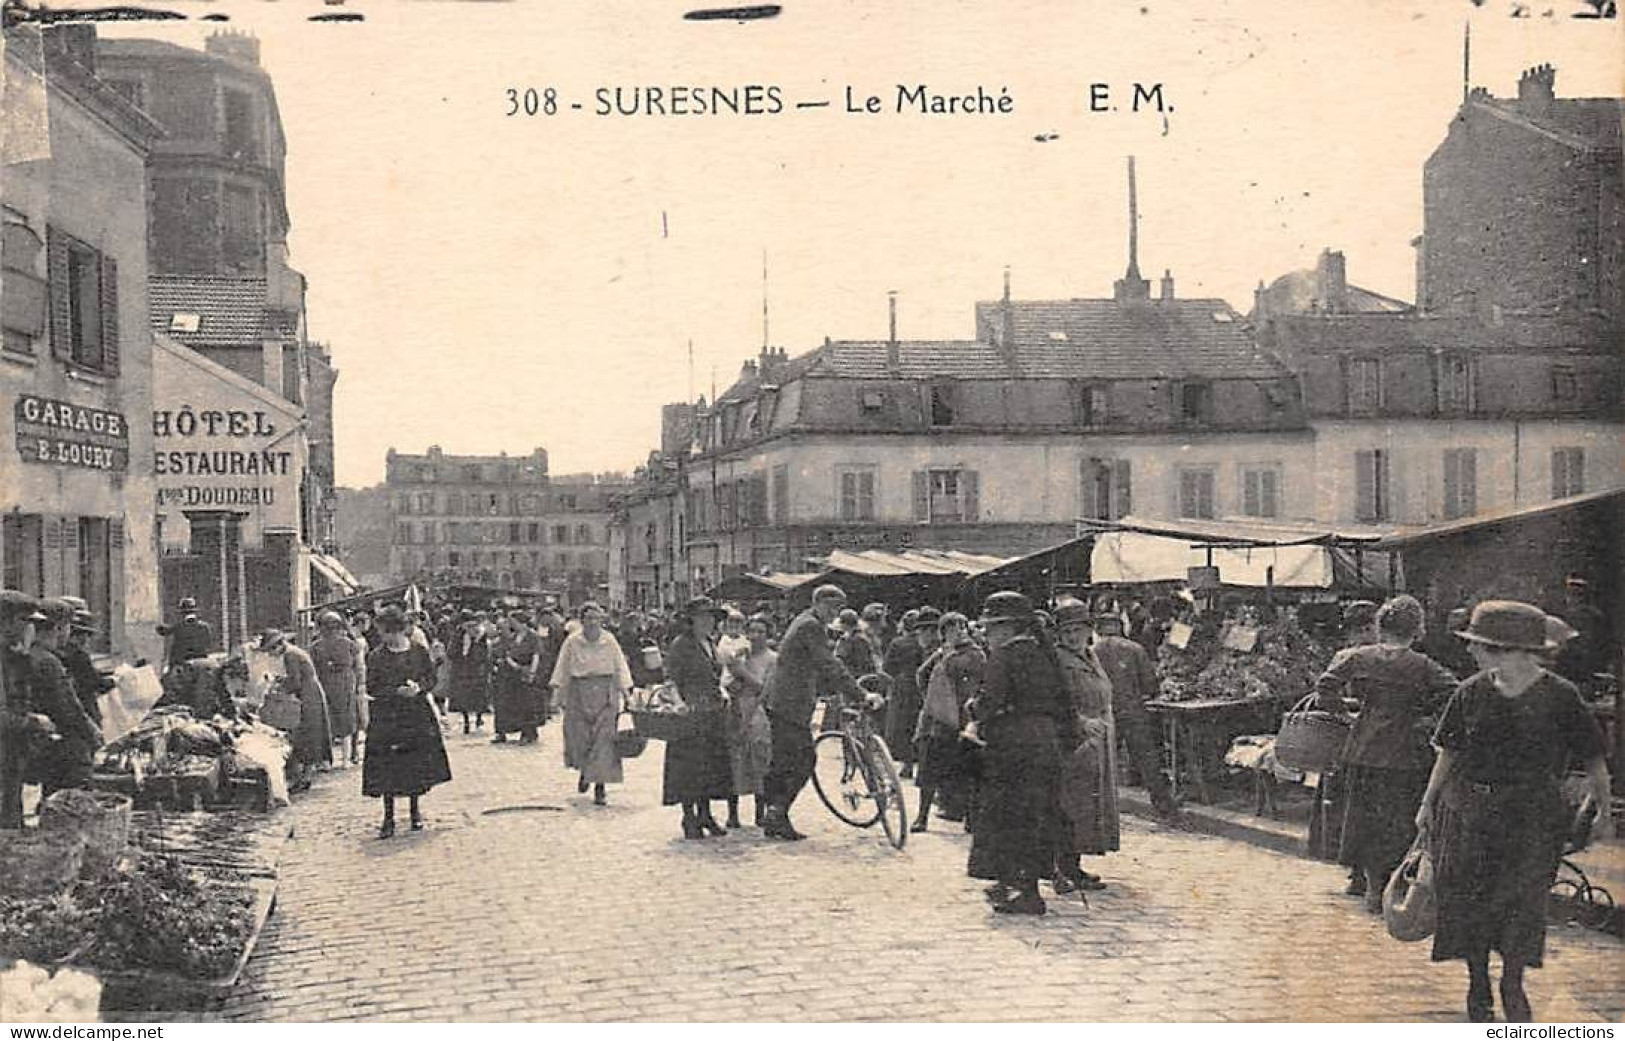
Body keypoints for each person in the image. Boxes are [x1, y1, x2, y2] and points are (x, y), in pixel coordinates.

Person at [1417, 600, 1612, 1023]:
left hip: (1535, 819)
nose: (1471, 652)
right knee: (1471, 901)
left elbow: (1595, 759)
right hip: (1472, 813)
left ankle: (1512, 979)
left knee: (1522, 904)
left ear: (1509, 649)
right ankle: (1478, 981)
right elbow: (1448, 753)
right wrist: (1427, 802)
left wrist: (1602, 814)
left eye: (1479, 645)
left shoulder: (1562, 696)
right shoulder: (1469, 692)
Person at [1313, 594, 1458, 912]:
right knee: (1398, 820)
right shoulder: (1422, 665)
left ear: (1380, 627)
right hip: (1404, 751)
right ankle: (1392, 884)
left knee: (1363, 817)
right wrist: (1428, 720)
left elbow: (1325, 687)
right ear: (1417, 630)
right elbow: (1454, 692)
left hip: (1362, 747)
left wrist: (1346, 716)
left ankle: (1370, 885)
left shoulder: (1359, 657)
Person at [964, 592, 1073, 916]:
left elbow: (989, 703)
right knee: (1036, 815)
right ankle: (1018, 883)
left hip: (1013, 745)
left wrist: (974, 708)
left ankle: (1024, 892)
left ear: (1007, 627)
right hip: (1045, 743)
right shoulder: (1044, 654)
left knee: (1008, 817)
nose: (988, 633)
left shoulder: (1004, 656)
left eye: (992, 627)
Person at [762, 584, 867, 841]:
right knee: (804, 760)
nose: (835, 614)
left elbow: (809, 664)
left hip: (783, 701)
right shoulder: (810, 626)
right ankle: (776, 812)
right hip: (790, 704)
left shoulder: (805, 621)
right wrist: (861, 694)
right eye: (832, 608)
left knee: (783, 760)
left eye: (839, 609)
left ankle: (773, 814)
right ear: (818, 603)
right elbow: (828, 663)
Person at [362, 605, 452, 838]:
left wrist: (419, 687)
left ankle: (415, 812)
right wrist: (394, 691)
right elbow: (372, 687)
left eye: (384, 631)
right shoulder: (376, 656)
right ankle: (388, 817)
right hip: (388, 717)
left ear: (396, 630)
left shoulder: (418, 651)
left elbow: (431, 677)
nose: (382, 635)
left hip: (415, 715)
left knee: (414, 764)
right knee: (388, 767)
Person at [1052, 601, 1117, 893]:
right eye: (1067, 631)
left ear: (1089, 631)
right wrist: (1081, 722)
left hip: (1097, 740)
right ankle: (1064, 867)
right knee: (1072, 802)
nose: (1073, 636)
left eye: (1078, 630)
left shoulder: (1091, 656)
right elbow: (1055, 701)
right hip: (1073, 740)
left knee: (1088, 803)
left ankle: (1073, 865)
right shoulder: (1058, 660)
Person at [662, 597, 735, 839]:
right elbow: (671, 679)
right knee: (689, 767)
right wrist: (679, 703)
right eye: (703, 617)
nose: (708, 622)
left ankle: (705, 813)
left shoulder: (710, 644)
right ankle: (689, 817)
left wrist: (722, 690)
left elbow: (716, 675)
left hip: (712, 711)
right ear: (691, 620)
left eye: (711, 618)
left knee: (710, 766)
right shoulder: (681, 645)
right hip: (691, 713)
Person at [1092, 612, 1177, 819]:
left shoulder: (1091, 651)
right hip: (1132, 710)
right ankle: (1163, 805)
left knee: (1102, 760)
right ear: (1120, 626)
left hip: (1103, 712)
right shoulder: (1135, 649)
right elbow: (1149, 683)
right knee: (1147, 758)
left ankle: (1098, 807)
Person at [552, 601, 633, 806]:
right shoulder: (572, 642)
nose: (593, 623)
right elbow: (562, 667)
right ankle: (585, 771)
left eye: (597, 618)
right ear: (582, 621)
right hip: (579, 693)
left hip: (605, 693)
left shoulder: (609, 641)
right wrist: (557, 695)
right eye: (588, 618)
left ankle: (600, 787)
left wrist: (627, 694)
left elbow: (620, 667)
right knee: (580, 738)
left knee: (604, 742)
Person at [913, 608, 982, 833]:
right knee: (930, 769)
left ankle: (970, 820)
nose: (959, 632)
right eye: (952, 628)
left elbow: (975, 677)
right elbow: (922, 674)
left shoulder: (975, 654)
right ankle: (921, 817)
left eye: (962, 627)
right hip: (940, 721)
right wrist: (932, 700)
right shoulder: (943, 653)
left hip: (966, 717)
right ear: (943, 632)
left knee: (969, 770)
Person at [27, 599, 103, 798]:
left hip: (36, 743)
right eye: (69, 626)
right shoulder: (48, 662)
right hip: (58, 743)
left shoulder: (28, 655)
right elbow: (68, 708)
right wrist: (92, 734)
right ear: (60, 628)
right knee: (73, 800)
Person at [260, 628, 333, 790]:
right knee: (306, 732)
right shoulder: (293, 652)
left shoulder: (290, 655)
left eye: (272, 650)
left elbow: (296, 682)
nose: (272, 654)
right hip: (309, 691)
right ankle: (304, 773)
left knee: (306, 731)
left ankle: (305, 775)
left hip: (308, 694)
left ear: (278, 645)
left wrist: (280, 689)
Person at [722, 613, 776, 828]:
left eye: (760, 632)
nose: (755, 636)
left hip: (759, 712)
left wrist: (742, 674)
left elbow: (765, 689)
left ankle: (759, 812)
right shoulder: (738, 655)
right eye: (751, 631)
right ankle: (732, 814)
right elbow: (728, 683)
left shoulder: (772, 658)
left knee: (759, 760)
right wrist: (735, 674)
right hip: (736, 708)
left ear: (768, 634)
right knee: (734, 760)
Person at [1, 593, 50, 827]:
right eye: (26, 621)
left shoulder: (11, 655)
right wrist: (32, 722)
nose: (31, 628)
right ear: (7, 622)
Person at [311, 610, 365, 765]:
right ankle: (347, 758)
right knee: (347, 719)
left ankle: (328, 761)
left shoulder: (316, 646)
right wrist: (360, 683)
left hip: (326, 685)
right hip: (345, 685)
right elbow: (359, 665)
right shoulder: (349, 643)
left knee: (327, 720)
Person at [882, 606, 928, 781]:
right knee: (919, 726)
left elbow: (887, 668)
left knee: (902, 727)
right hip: (921, 688)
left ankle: (907, 765)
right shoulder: (925, 643)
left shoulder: (897, 643)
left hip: (902, 688)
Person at [491, 612, 542, 744]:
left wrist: (531, 672)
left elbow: (536, 655)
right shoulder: (512, 637)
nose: (511, 624)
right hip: (510, 673)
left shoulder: (533, 636)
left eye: (513, 621)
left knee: (526, 704)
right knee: (507, 703)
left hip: (525, 671)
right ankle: (502, 732)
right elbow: (507, 652)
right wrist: (509, 662)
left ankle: (527, 733)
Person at [57, 598, 109, 727]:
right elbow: (94, 681)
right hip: (81, 711)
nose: (84, 639)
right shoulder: (77, 655)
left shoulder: (55, 651)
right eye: (81, 634)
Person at [445, 610, 492, 734]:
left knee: (478, 694)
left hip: (476, 669)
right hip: (462, 669)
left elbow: (484, 654)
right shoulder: (459, 634)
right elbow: (451, 652)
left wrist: (476, 641)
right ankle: (466, 720)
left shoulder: (481, 635)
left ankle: (478, 719)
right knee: (462, 696)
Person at [162, 596, 213, 669]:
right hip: (202, 663)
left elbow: (164, 632)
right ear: (195, 612)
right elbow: (208, 644)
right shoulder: (205, 627)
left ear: (182, 613)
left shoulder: (178, 627)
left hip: (182, 665)